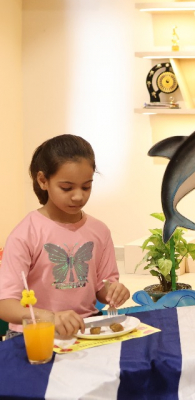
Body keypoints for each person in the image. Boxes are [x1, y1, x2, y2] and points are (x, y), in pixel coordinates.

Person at [0, 134, 130, 337]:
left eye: (86, 186)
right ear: (43, 180)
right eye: (67, 188)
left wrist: (114, 291)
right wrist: (50, 317)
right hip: (36, 333)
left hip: (86, 328)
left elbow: (103, 288)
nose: (78, 196)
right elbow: (5, 305)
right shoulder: (26, 233)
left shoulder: (99, 231)